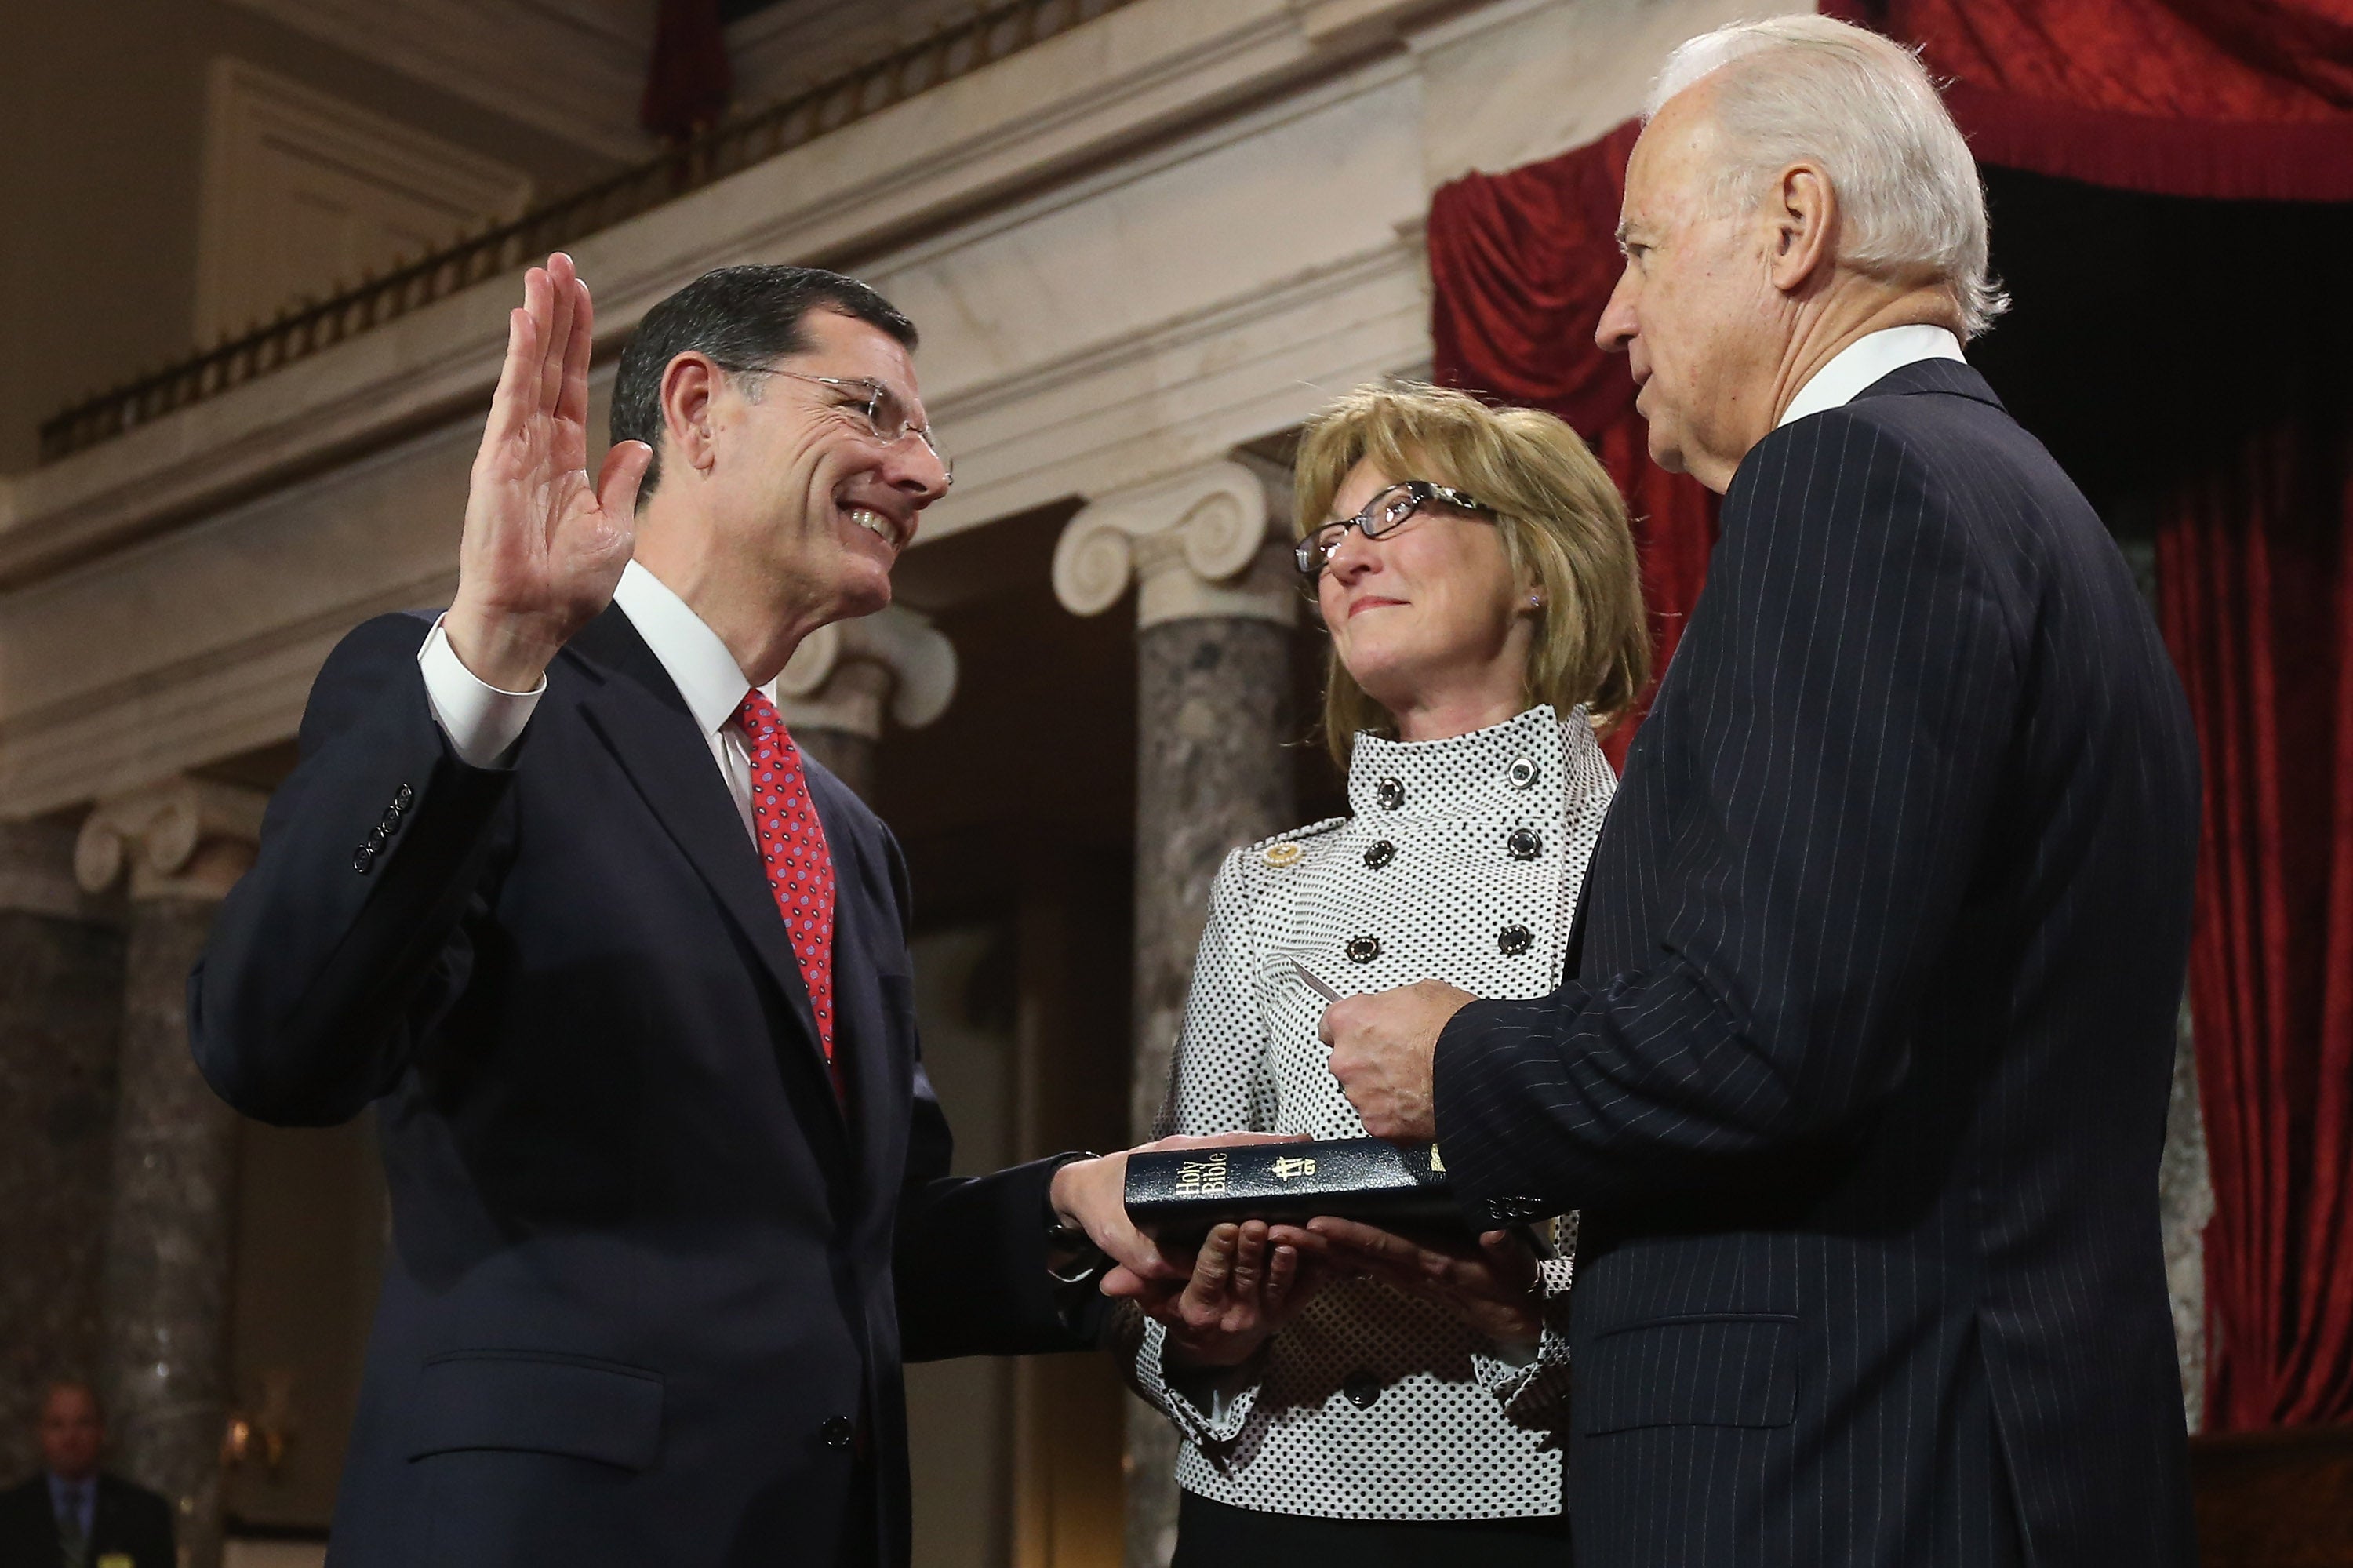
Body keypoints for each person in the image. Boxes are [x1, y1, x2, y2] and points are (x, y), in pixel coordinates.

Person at [1318, 16, 2199, 1567]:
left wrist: (1464, 1063)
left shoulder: (1854, 481)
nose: (1607, 315)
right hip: (1983, 1445)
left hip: (1848, 1472)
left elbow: (1770, 1035)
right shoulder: (2028, 504)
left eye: (1644, 248)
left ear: (1795, 225)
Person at [188, 255, 1183, 1568]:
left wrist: (1072, 1198)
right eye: (874, 413)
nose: (927, 472)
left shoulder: (848, 835)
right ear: (702, 410)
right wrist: (491, 661)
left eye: (929, 434)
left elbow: (857, 1238)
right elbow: (275, 1039)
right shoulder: (477, 707)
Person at [1113, 383, 1649, 1566]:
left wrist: (1529, 1320)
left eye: (1395, 511)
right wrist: (1205, 1332)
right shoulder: (1267, 885)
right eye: (1326, 539)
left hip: (1552, 1504)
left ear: (1538, 565)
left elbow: (1720, 1252)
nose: (1345, 560)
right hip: (1270, 1507)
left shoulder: (1652, 855)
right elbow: (1177, 1232)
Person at [0, 1381, 173, 1568]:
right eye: (57, 1425)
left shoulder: (145, 1514)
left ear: (101, 1430)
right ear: (40, 1433)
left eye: (83, 1423)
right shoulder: (8, 1516)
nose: (70, 1437)